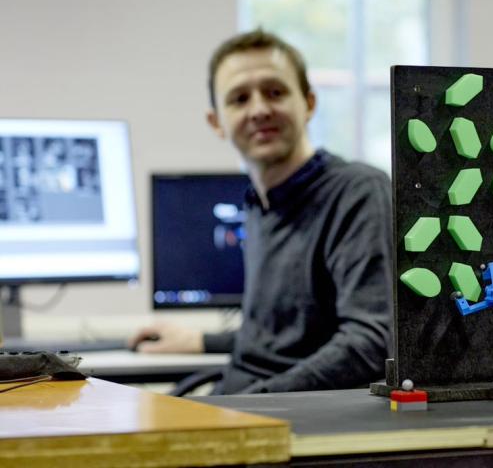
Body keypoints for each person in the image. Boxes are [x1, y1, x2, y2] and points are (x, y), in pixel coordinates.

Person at [129, 29, 393, 394]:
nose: (259, 110)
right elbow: (280, 337)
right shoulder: (259, 203)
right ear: (216, 122)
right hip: (248, 401)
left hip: (289, 419)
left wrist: (253, 404)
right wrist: (202, 340)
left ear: (309, 103)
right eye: (239, 98)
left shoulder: (358, 193)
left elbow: (371, 342)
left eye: (275, 92)